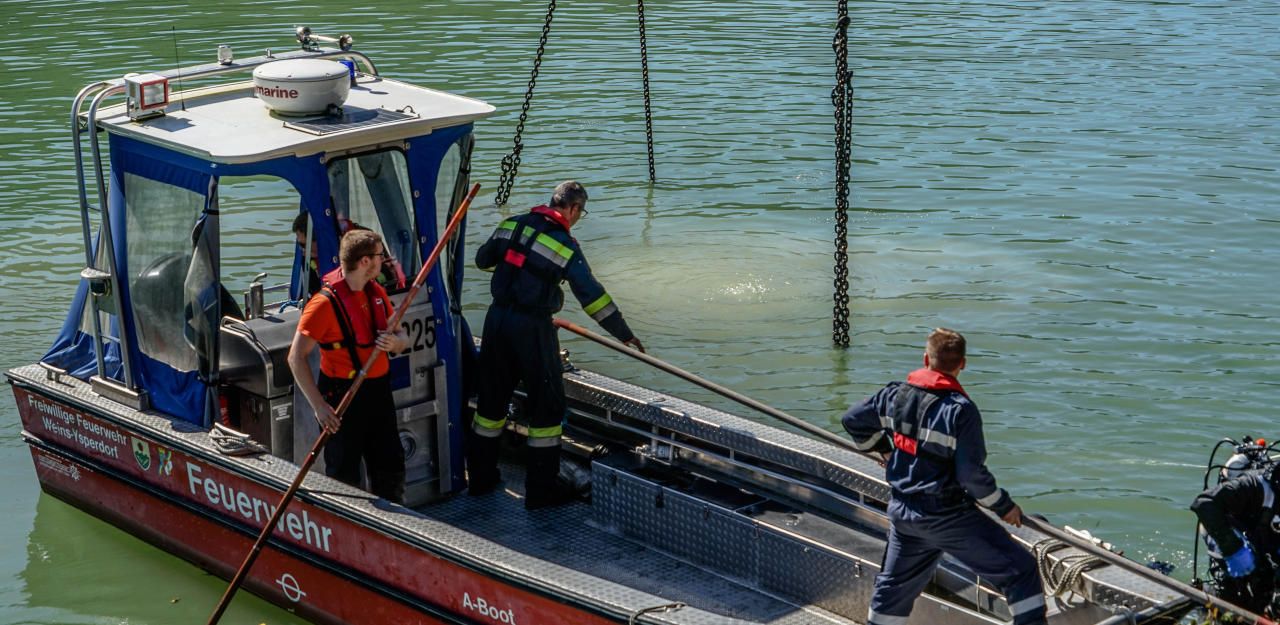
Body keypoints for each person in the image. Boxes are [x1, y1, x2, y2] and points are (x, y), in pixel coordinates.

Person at [842, 328, 1046, 625]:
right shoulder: (961, 411)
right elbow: (971, 475)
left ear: (926, 359)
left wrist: (885, 451)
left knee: (894, 587)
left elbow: (852, 420)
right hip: (946, 515)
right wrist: (1004, 506)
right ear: (962, 364)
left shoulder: (894, 396)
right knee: (1021, 571)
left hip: (903, 512)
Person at [470, 180, 644, 509]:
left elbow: (482, 259)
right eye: (581, 212)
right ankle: (540, 492)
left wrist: (517, 266)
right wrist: (623, 333)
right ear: (574, 208)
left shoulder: (511, 224)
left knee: (490, 403)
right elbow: (591, 295)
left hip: (496, 321)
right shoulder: (565, 245)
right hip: (533, 327)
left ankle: (480, 479)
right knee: (547, 408)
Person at [287, 229, 410, 503]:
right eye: (379, 256)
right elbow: (295, 357)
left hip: (379, 393)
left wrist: (395, 343)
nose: (384, 261)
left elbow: (403, 337)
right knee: (344, 473)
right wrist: (319, 406)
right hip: (342, 396)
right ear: (365, 261)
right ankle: (348, 520)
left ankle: (393, 518)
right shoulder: (322, 305)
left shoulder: (376, 292)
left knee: (391, 464)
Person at [1190, 468, 1280, 614]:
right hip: (1233, 544)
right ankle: (1208, 599)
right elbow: (1204, 503)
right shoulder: (1255, 485)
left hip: (1268, 548)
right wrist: (1233, 549)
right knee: (1233, 604)